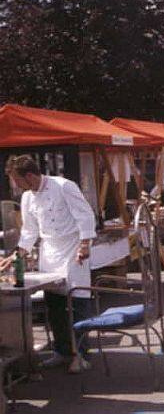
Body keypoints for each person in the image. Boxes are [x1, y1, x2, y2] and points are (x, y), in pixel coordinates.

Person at [2, 155, 96, 373]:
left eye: (17, 180)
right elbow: (30, 230)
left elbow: (85, 215)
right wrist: (18, 254)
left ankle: (81, 355)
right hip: (50, 252)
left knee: (77, 303)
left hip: (72, 249)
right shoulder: (27, 197)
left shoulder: (64, 186)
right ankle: (62, 351)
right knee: (54, 305)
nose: (15, 185)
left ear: (30, 176)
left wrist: (84, 245)